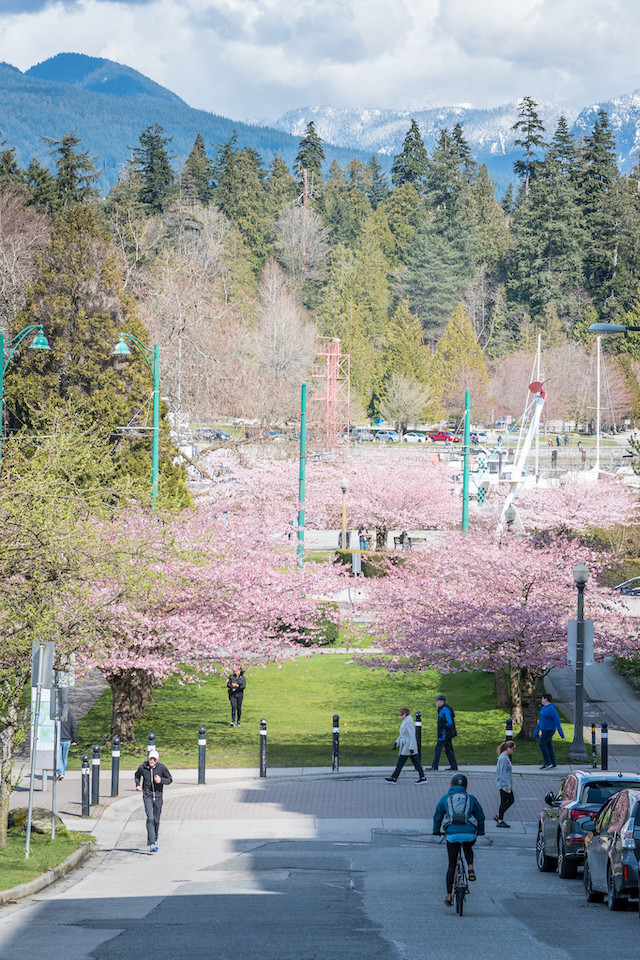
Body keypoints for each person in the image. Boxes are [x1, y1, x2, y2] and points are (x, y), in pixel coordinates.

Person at [433, 773, 485, 906]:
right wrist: (480, 831)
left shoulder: (446, 798)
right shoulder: (471, 798)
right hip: (468, 834)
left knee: (451, 865)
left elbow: (438, 815)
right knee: (468, 847)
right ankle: (470, 867)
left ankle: (449, 896)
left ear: (452, 784)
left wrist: (436, 830)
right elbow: (480, 816)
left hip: (452, 835)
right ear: (466, 786)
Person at [134, 749, 173, 853]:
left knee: (156, 820)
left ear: (157, 760)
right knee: (150, 818)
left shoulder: (162, 768)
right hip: (147, 795)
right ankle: (152, 843)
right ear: (148, 758)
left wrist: (161, 781)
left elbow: (170, 779)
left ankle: (154, 839)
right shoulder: (143, 767)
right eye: (150, 758)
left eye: (154, 759)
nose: (152, 761)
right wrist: (137, 785)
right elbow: (137, 775)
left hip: (158, 796)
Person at [385, 708, 427, 783]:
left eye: (401, 714)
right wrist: (396, 743)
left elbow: (412, 736)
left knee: (401, 762)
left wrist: (411, 747)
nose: (400, 716)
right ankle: (422, 777)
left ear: (405, 714)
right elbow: (402, 735)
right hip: (406, 744)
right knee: (415, 762)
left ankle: (394, 777)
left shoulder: (409, 722)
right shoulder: (405, 721)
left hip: (408, 745)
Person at [533, 693, 565, 769]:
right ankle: (553, 763)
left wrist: (561, 732)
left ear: (546, 699)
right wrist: (536, 731)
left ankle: (548, 762)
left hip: (550, 729)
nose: (541, 700)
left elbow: (557, 720)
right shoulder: (543, 708)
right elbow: (541, 720)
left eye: (542, 698)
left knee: (542, 744)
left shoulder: (551, 708)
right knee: (548, 745)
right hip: (544, 729)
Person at [428, 695, 458, 771]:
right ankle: (454, 766)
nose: (436, 702)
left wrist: (442, 726)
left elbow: (449, 722)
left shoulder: (444, 709)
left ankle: (434, 766)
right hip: (447, 733)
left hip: (444, 733)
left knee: (438, 748)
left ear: (442, 702)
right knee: (448, 749)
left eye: (438, 701)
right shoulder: (444, 708)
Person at [495, 740, 516, 827]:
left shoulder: (505, 757)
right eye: (513, 749)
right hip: (504, 785)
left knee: (509, 800)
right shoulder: (503, 758)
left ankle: (500, 816)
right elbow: (502, 772)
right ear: (508, 748)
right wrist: (505, 786)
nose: (513, 751)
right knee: (505, 801)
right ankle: (500, 819)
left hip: (506, 784)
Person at [56, 710, 78, 780]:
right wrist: (75, 740)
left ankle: (61, 773)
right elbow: (74, 728)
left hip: (59, 739)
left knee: (58, 757)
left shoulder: (57, 717)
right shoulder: (70, 717)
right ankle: (62, 773)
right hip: (67, 740)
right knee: (64, 758)